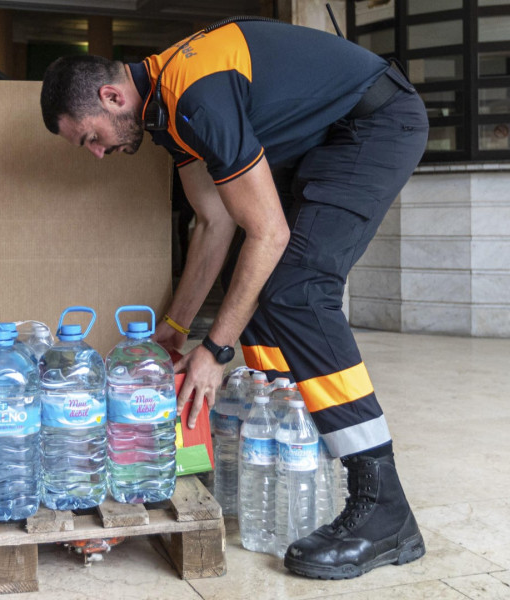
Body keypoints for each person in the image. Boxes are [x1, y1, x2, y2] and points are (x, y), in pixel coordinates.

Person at [40, 17, 428, 579]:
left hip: (376, 124)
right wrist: (177, 327)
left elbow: (269, 232)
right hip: (331, 137)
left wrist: (216, 350)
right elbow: (213, 224)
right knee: (262, 292)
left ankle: (383, 506)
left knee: (296, 290)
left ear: (111, 96)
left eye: (91, 137)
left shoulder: (195, 93)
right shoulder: (171, 114)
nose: (97, 153)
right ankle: (285, 440)